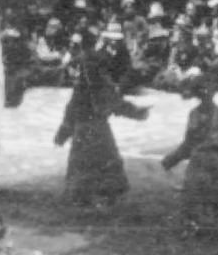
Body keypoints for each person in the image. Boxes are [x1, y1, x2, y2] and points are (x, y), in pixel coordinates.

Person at [54, 44, 149, 208]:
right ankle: (105, 199)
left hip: (82, 131)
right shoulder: (101, 83)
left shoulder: (82, 86)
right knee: (107, 165)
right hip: (98, 129)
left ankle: (81, 199)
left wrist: (63, 133)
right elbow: (115, 103)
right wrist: (138, 113)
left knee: (82, 168)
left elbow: (71, 111)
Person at [161, 78, 218, 240]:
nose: (206, 96)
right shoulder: (194, 115)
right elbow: (189, 142)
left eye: (209, 93)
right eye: (202, 93)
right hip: (200, 159)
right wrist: (172, 159)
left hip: (217, 157)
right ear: (198, 95)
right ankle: (192, 229)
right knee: (192, 195)